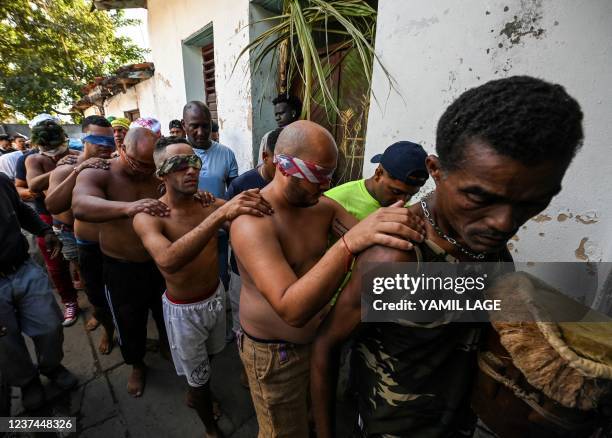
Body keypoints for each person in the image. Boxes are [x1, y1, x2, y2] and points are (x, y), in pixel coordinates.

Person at [310, 75, 585, 438]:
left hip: (461, 421)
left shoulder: (487, 243)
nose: (504, 223)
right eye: (480, 197)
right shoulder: (396, 255)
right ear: (436, 172)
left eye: (532, 203)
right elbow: (327, 346)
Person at [230, 120, 426, 437]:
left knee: (310, 416)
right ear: (283, 167)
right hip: (275, 356)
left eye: (331, 176)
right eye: (317, 177)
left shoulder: (321, 206)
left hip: (318, 342)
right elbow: (291, 309)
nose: (325, 186)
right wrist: (349, 244)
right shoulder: (253, 222)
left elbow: (376, 246)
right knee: (282, 432)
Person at [133, 136, 273, 438]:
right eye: (179, 165)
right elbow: (168, 260)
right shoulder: (150, 215)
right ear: (162, 173)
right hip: (184, 313)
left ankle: (198, 391)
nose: (191, 170)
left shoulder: (206, 204)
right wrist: (220, 214)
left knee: (208, 360)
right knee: (198, 380)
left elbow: (249, 212)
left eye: (194, 162)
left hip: (215, 297)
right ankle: (209, 427)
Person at [72, 127, 171, 397]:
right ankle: (136, 364)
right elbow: (80, 204)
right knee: (129, 322)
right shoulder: (100, 171)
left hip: (158, 263)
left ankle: (165, 344)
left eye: (151, 165)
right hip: (121, 267)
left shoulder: (155, 171)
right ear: (123, 149)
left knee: (165, 314)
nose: (144, 171)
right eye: (139, 163)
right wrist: (128, 207)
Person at [0, 173, 78, 411]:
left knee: (50, 325)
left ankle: (51, 366)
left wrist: (45, 231)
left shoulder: (2, 181)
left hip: (22, 268)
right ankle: (27, 382)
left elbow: (22, 212)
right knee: (7, 343)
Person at [45, 115, 116, 353]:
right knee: (94, 293)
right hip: (86, 243)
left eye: (110, 141)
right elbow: (53, 205)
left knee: (121, 296)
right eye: (98, 140)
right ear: (84, 139)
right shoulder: (65, 168)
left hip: (115, 245)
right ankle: (107, 328)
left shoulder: (114, 164)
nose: (106, 146)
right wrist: (79, 169)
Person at [25, 120, 80, 326]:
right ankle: (69, 302)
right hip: (48, 217)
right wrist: (59, 169)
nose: (54, 152)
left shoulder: (73, 154)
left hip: (75, 216)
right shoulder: (34, 160)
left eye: (57, 147)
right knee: (56, 265)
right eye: (49, 148)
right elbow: (34, 185)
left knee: (80, 261)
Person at [182, 101, 238, 291]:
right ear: (184, 126)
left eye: (205, 125)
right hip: (182, 230)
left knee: (220, 280)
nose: (200, 131)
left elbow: (232, 194)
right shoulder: (174, 153)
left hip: (218, 232)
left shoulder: (226, 154)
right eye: (194, 126)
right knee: (189, 283)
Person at [325, 141, 428, 220]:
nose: (402, 201)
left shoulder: (406, 211)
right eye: (396, 192)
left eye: (410, 195)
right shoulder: (334, 201)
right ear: (378, 174)